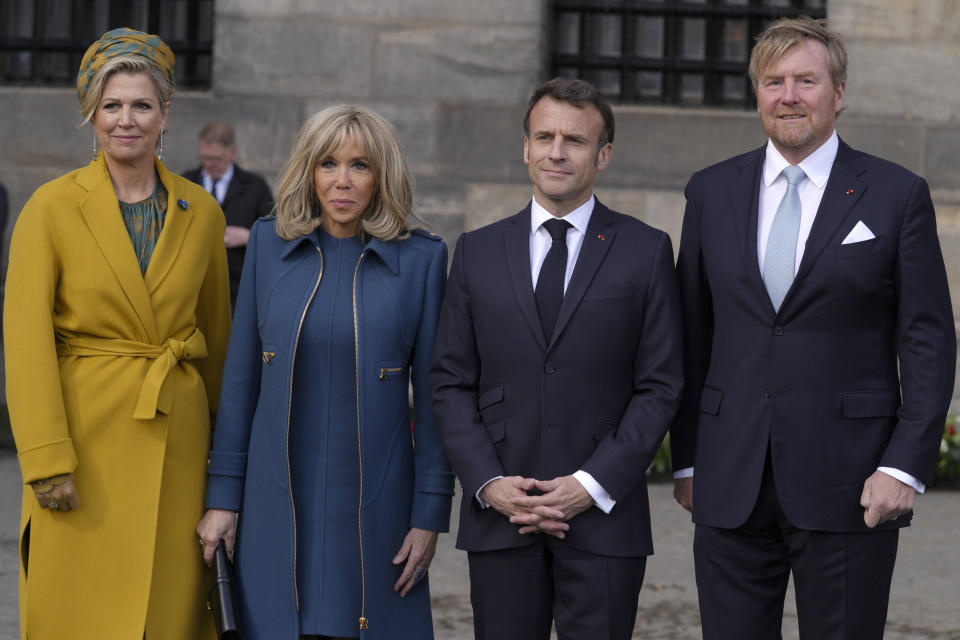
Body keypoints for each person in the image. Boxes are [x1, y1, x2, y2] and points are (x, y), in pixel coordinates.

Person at [671, 16, 956, 640]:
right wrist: (689, 460)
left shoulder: (895, 194)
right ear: (757, 94)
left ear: (839, 92)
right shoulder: (711, 192)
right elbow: (690, 336)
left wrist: (904, 466)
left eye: (806, 80)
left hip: (853, 483)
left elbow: (928, 340)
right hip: (730, 478)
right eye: (774, 82)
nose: (789, 96)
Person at [430, 77, 683, 640]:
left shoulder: (645, 251)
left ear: (604, 154)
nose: (557, 151)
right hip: (501, 515)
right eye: (543, 136)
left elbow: (661, 385)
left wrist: (591, 485)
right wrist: (489, 482)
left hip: (603, 521)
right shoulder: (477, 251)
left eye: (575, 139)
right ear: (525, 147)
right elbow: (449, 383)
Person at [3, 28, 231, 640]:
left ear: (166, 115)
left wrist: (225, 469)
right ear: (91, 115)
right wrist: (47, 459)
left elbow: (218, 343)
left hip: (177, 453)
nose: (125, 120)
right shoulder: (49, 208)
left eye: (141, 105)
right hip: (82, 448)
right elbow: (24, 342)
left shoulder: (202, 212)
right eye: (111, 105)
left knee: (167, 615)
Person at [196, 105, 454, 640]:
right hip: (273, 502)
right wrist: (222, 498)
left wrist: (430, 514)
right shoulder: (269, 244)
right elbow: (241, 380)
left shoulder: (423, 261)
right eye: (327, 164)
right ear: (308, 172)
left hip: (376, 508)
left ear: (383, 175)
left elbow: (435, 404)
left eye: (360, 166)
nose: (342, 181)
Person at [184, 122, 275, 309]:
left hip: (238, 289)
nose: (208, 164)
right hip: (192, 286)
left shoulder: (255, 186)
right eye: (204, 157)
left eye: (215, 159)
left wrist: (248, 237)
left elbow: (276, 233)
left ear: (231, 153)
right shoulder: (186, 182)